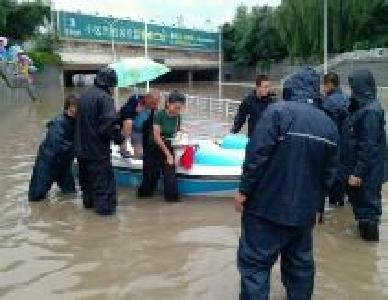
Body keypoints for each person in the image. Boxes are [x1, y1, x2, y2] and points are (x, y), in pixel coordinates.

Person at [235, 67, 339, 300]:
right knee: (300, 268)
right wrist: (318, 208)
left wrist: (243, 191)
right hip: (303, 214)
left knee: (255, 268)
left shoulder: (277, 112)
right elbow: (329, 173)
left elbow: (256, 155)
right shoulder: (328, 125)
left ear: (290, 88)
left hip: (265, 209)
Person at [344, 69, 386, 241]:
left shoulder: (370, 112)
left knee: (368, 211)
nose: (351, 89)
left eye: (353, 86)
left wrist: (358, 173)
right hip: (364, 170)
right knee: (362, 209)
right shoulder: (362, 107)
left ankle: (369, 248)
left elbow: (368, 146)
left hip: (367, 173)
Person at [75, 67, 124, 216]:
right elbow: (108, 127)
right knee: (104, 191)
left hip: (81, 151)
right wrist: (119, 138)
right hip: (97, 153)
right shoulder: (105, 98)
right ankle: (105, 226)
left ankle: (89, 223)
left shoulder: (84, 95)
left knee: (87, 189)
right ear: (110, 84)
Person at [137, 90, 185, 202]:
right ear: (168, 103)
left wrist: (182, 132)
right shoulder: (159, 115)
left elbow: (175, 132)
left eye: (180, 108)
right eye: (176, 107)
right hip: (153, 147)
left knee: (170, 179)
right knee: (150, 180)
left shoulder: (178, 117)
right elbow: (157, 137)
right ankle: (143, 200)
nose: (178, 111)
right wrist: (168, 155)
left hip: (167, 145)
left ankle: (172, 203)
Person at [28, 95, 78, 201]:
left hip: (64, 164)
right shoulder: (58, 122)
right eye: (77, 106)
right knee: (36, 197)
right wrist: (77, 148)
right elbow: (57, 144)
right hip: (47, 163)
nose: (80, 109)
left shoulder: (77, 122)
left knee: (70, 194)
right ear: (69, 107)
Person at [322, 72, 349, 206]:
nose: (323, 88)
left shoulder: (328, 102)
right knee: (343, 171)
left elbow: (326, 126)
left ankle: (334, 201)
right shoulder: (346, 97)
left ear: (330, 84)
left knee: (334, 171)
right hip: (347, 142)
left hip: (334, 142)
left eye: (325, 85)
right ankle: (341, 200)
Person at [119, 91, 160, 157]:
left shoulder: (154, 109)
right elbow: (122, 113)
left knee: (140, 155)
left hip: (139, 132)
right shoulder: (135, 99)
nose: (154, 105)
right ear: (147, 98)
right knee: (128, 122)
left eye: (156, 103)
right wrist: (135, 111)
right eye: (152, 103)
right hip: (129, 127)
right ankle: (123, 147)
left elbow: (151, 126)